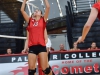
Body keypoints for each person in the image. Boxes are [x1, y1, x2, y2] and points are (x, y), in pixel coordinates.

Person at [20, 0, 52, 75]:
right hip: (32, 47)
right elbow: (22, 10)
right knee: (31, 71)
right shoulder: (30, 21)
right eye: (35, 11)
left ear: (41, 14)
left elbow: (48, 7)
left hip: (41, 47)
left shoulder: (43, 20)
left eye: (38, 11)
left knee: (45, 70)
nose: (36, 11)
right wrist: (24, 1)